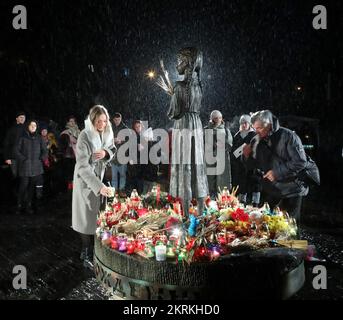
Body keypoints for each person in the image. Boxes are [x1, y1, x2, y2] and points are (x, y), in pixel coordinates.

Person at [243, 110, 309, 234]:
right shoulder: (256, 139)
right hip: (271, 191)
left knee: (289, 230)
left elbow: (300, 161)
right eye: (254, 128)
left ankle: (293, 252)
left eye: (260, 128)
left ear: (269, 125)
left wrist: (277, 173)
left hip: (292, 189)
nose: (256, 131)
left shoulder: (288, 136)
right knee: (270, 229)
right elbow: (253, 166)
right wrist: (246, 156)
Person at [72, 105, 115, 269]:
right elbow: (82, 166)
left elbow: (112, 148)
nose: (102, 124)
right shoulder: (85, 135)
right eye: (98, 121)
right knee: (85, 218)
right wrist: (98, 186)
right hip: (85, 180)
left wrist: (106, 153)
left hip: (100, 177)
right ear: (92, 120)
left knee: (98, 217)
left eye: (104, 121)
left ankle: (96, 248)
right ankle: (86, 251)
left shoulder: (107, 131)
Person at [167, 47, 208, 216]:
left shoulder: (179, 86)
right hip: (196, 124)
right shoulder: (200, 85)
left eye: (180, 60)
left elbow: (173, 112)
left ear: (187, 62)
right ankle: (201, 211)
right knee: (197, 165)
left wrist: (172, 95)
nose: (177, 64)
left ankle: (185, 215)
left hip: (183, 124)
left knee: (184, 166)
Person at [15, 120, 48, 214]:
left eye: (35, 125)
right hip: (25, 166)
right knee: (23, 185)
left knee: (31, 187)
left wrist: (41, 158)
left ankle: (29, 205)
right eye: (31, 125)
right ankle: (19, 205)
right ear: (28, 126)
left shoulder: (39, 138)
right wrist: (23, 159)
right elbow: (16, 150)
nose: (33, 127)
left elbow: (45, 151)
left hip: (36, 166)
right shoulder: (22, 137)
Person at [232, 114, 261, 206]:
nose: (244, 125)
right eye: (242, 123)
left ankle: (255, 202)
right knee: (242, 183)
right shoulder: (237, 135)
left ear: (249, 124)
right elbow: (234, 150)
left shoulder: (254, 135)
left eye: (246, 123)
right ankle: (242, 201)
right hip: (240, 164)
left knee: (254, 182)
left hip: (252, 163)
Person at [204, 110, 233, 197]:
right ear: (211, 119)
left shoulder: (225, 130)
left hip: (222, 159)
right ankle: (209, 199)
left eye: (220, 118)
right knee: (209, 180)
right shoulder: (206, 130)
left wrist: (223, 144)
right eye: (216, 118)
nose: (218, 120)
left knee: (222, 181)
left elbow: (230, 145)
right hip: (209, 158)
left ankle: (221, 199)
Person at [60, 116, 80, 191]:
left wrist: (75, 140)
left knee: (75, 171)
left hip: (77, 155)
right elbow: (63, 144)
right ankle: (69, 187)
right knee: (68, 172)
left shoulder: (78, 131)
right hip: (68, 155)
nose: (71, 123)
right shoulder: (65, 132)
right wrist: (69, 140)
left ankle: (75, 185)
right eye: (70, 121)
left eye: (73, 121)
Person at [3, 111, 26, 178]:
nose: (22, 119)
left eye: (24, 117)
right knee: (15, 176)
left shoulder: (27, 129)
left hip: (25, 157)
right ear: (16, 118)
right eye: (21, 117)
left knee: (24, 177)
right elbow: (6, 144)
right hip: (14, 158)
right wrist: (7, 158)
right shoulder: (11, 129)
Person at [111, 113, 129, 196]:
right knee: (114, 176)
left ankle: (121, 190)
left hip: (123, 155)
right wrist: (113, 140)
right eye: (115, 120)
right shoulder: (110, 128)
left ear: (121, 119)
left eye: (118, 119)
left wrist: (121, 141)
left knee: (122, 175)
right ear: (113, 120)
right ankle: (114, 190)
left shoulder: (125, 129)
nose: (117, 121)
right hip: (113, 156)